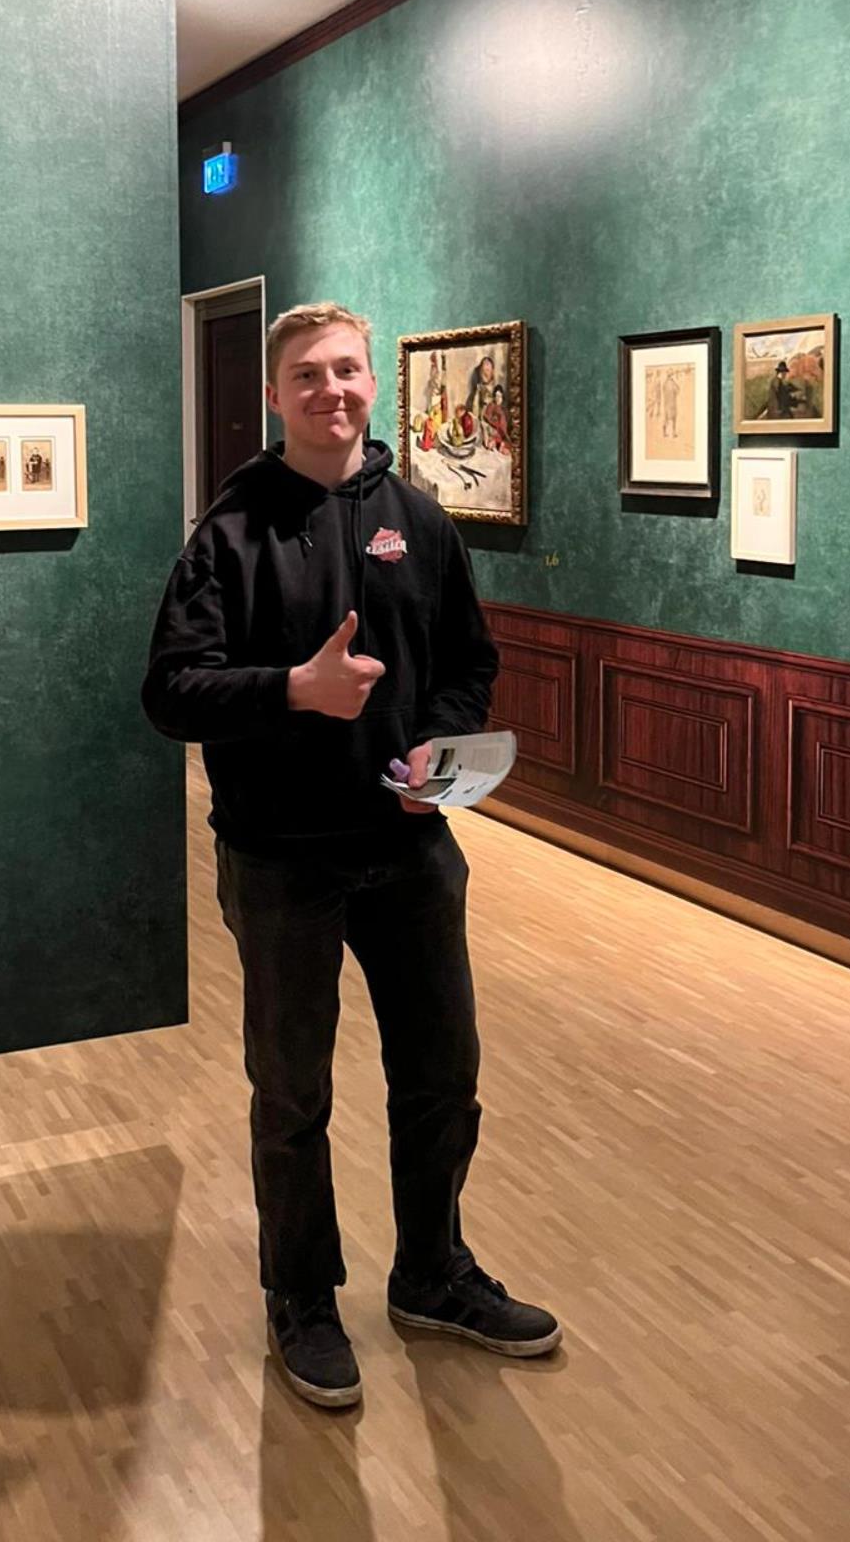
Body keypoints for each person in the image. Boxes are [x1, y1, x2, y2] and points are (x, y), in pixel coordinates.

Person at [141, 300, 561, 1410]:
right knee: (293, 1092)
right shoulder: (229, 533)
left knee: (442, 1075)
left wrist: (439, 748)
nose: (331, 390)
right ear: (275, 395)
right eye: (308, 375)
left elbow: (469, 660)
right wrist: (294, 689)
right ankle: (302, 1296)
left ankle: (432, 1273)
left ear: (374, 384)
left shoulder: (421, 521)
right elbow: (171, 691)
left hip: (412, 849)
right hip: (282, 858)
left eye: (347, 370)